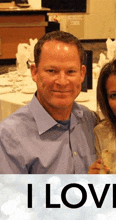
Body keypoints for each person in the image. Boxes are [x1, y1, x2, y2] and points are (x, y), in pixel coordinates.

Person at [0, 31, 98, 174]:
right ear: (34, 72)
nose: (62, 82)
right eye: (52, 71)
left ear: (82, 74)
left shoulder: (89, 120)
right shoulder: (10, 136)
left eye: (71, 71)